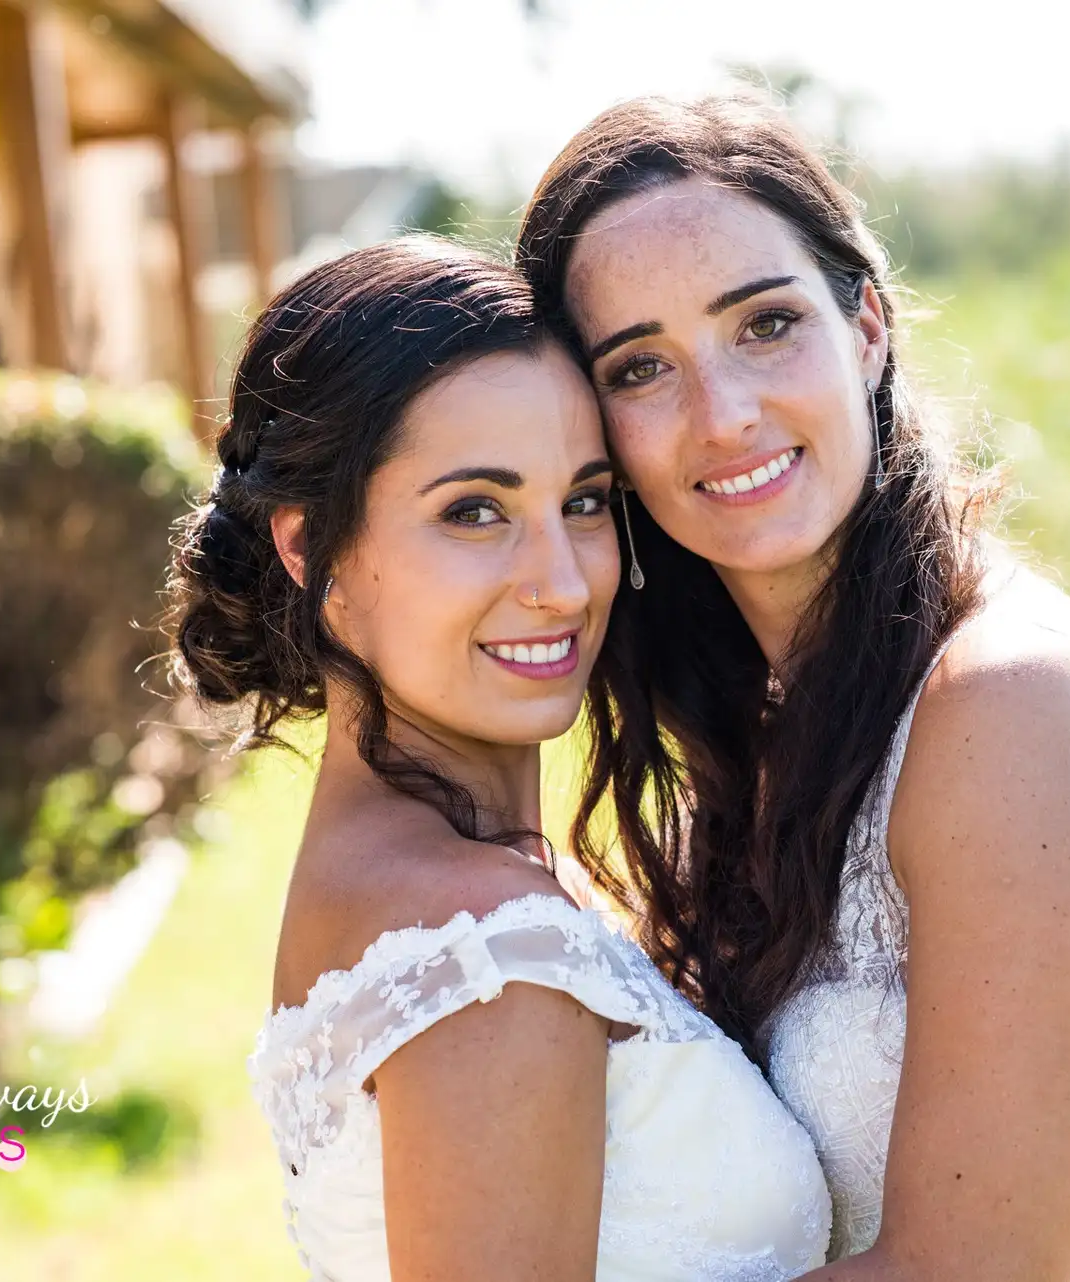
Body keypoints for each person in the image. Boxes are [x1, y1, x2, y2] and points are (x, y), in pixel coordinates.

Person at [516, 95, 1070, 1281]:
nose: (724, 415)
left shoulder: (1012, 706)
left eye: (766, 324)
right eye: (641, 367)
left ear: (869, 327)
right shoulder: (760, 726)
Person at [166, 237, 830, 1280]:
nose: (562, 583)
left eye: (585, 501)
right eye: (474, 512)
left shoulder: (398, 884)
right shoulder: (488, 951)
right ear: (308, 547)